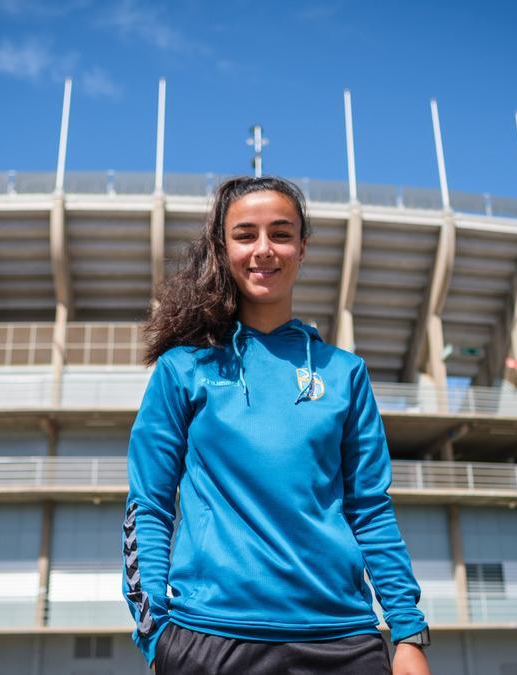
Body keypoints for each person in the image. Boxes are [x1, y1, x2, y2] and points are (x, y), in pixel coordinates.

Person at [122, 176, 431, 675]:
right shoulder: (184, 369)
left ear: (302, 248)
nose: (264, 249)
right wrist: (156, 633)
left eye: (281, 234)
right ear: (223, 251)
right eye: (245, 235)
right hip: (211, 639)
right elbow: (149, 505)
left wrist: (409, 632)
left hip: (341, 641)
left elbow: (370, 510)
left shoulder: (345, 373)